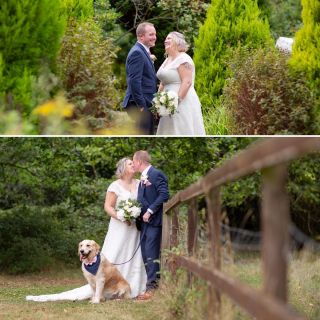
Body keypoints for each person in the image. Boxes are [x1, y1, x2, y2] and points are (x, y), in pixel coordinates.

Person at [26, 158, 147, 302]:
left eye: (134, 163)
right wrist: (121, 216)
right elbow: (108, 207)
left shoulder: (140, 183)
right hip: (119, 226)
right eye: (130, 164)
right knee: (116, 253)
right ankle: (105, 288)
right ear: (123, 168)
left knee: (135, 254)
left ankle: (134, 287)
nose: (134, 165)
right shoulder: (115, 185)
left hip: (135, 228)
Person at [133, 150, 169, 300]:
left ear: (139, 162)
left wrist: (149, 210)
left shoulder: (156, 174)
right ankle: (151, 287)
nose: (133, 165)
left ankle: (152, 289)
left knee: (152, 254)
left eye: (133, 162)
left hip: (154, 222)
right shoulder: (142, 177)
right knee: (146, 254)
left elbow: (164, 195)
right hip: (144, 223)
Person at [156, 31, 206, 135]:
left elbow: (187, 82)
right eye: (166, 38)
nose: (166, 40)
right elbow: (163, 82)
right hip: (166, 103)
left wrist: (176, 102)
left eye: (169, 38)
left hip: (182, 102)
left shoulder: (183, 59)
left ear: (178, 42)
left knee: (180, 129)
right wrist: (158, 102)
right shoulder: (167, 60)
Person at [123, 22, 157, 135]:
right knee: (143, 134)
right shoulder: (137, 52)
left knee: (148, 133)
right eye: (151, 34)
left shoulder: (143, 51)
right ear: (141, 36)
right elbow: (134, 81)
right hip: (139, 104)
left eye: (155, 34)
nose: (154, 37)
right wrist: (142, 105)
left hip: (147, 103)